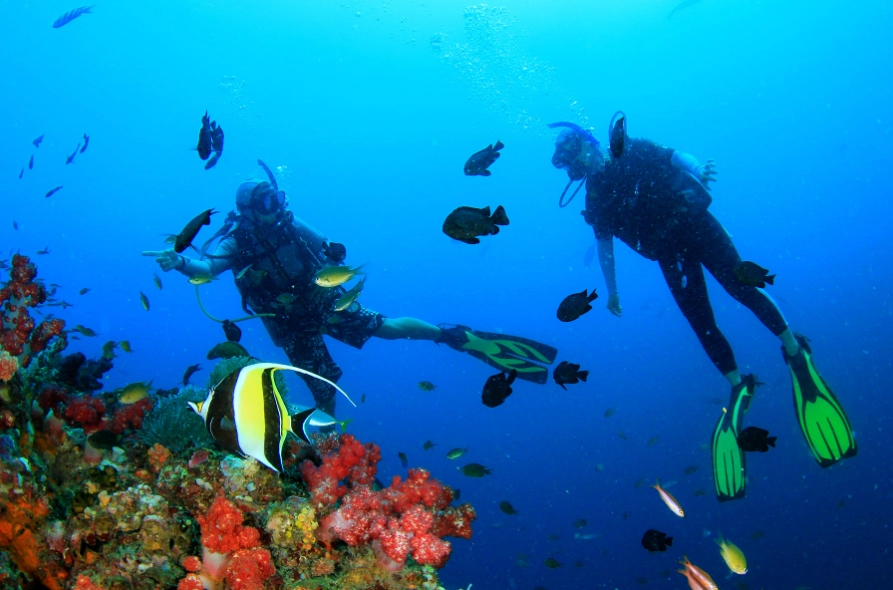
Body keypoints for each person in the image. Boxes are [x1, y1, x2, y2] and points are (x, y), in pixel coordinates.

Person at [549, 115, 856, 501]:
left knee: (742, 288)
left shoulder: (630, 148)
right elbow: (604, 246)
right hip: (668, 252)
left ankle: (795, 350)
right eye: (567, 162)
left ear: (587, 142)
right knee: (700, 322)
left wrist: (699, 168)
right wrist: (611, 292)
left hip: (695, 223)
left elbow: (674, 156)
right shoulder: (595, 198)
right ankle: (736, 384)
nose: (577, 164)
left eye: (574, 152)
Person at [151, 162, 557, 418]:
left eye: (276, 199)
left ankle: (450, 334)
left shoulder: (291, 224)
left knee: (385, 326)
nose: (276, 207)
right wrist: (180, 261)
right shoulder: (237, 241)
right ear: (250, 210)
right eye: (268, 203)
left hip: (324, 299)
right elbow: (208, 267)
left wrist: (333, 251)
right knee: (321, 387)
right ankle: (324, 444)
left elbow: (328, 243)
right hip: (289, 324)